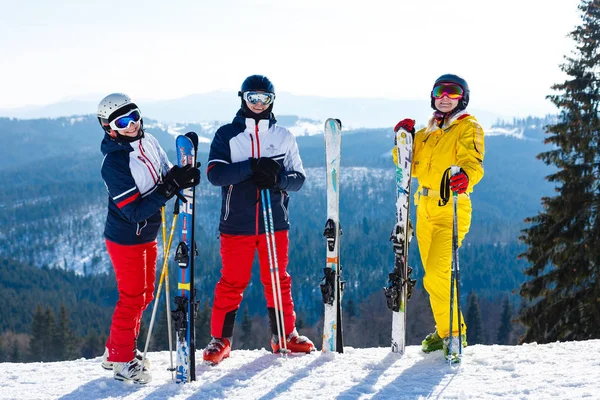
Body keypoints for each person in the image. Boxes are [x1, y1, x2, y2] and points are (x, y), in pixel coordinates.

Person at [203, 74, 315, 365]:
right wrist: (251, 168)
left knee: (277, 279)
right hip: (236, 222)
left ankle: (284, 335)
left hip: (274, 220)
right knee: (232, 282)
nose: (257, 103)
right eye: (252, 97)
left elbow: (299, 178)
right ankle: (220, 340)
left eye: (263, 98)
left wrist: (278, 177)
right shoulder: (227, 135)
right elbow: (215, 174)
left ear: (271, 101)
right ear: (242, 98)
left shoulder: (283, 136)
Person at [97, 93, 199, 383]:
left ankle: (116, 349)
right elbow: (134, 211)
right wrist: (169, 188)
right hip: (126, 238)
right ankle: (121, 361)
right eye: (123, 121)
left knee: (144, 295)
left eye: (135, 115)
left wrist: (182, 176)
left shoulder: (149, 140)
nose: (132, 124)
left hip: (147, 234)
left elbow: (167, 173)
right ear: (109, 127)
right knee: (132, 298)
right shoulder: (114, 164)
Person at [398, 74, 485, 360]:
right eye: (440, 91)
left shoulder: (468, 127)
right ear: (433, 96)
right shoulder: (428, 131)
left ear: (463, 97)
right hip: (423, 208)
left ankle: (453, 335)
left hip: (452, 207)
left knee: (438, 272)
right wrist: (403, 140)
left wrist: (467, 177)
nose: (445, 97)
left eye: (453, 92)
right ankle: (444, 329)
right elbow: (405, 165)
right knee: (431, 277)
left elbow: (472, 162)